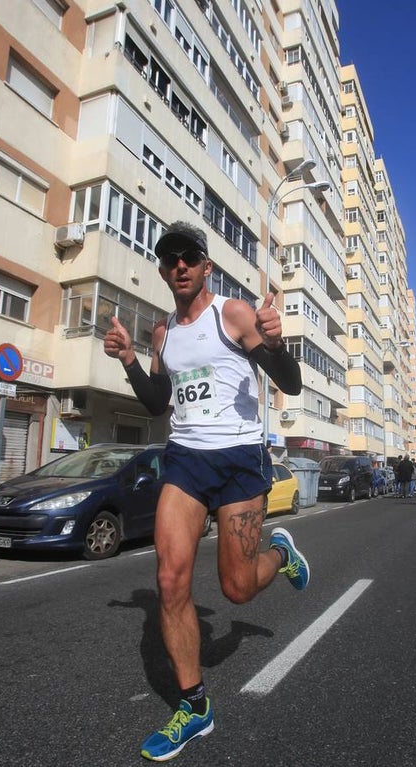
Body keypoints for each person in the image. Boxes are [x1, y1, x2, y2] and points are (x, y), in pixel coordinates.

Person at [103, 221, 309, 762]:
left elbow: (289, 383)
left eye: (189, 257)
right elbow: (156, 404)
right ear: (163, 268)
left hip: (240, 463)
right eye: (170, 258)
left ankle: (280, 553)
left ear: (205, 266)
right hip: (187, 462)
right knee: (169, 577)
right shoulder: (163, 334)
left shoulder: (234, 315)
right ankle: (195, 708)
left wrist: (274, 340)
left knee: (237, 589)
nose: (180, 266)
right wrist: (128, 359)